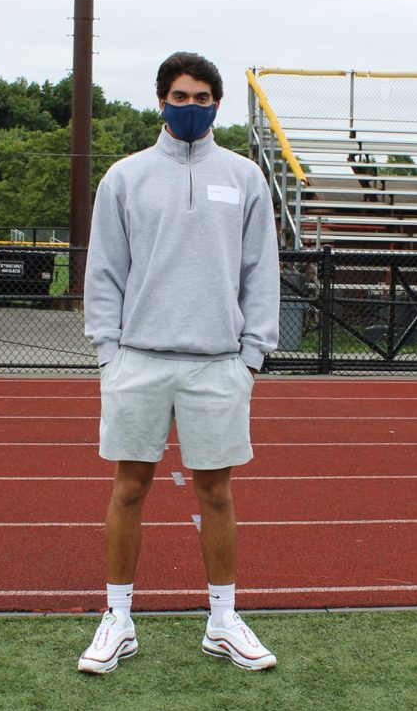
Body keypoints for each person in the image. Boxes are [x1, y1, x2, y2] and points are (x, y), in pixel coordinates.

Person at [79, 52, 280, 673]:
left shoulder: (245, 178)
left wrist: (252, 355)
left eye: (201, 97)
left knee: (215, 493)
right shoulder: (125, 177)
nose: (189, 106)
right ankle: (118, 618)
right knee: (129, 488)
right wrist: (108, 352)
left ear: (217, 103)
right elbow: (105, 269)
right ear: (160, 99)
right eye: (179, 95)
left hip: (218, 364)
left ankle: (222, 620)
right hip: (138, 360)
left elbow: (260, 270)